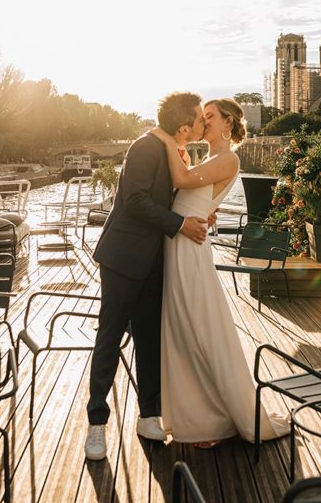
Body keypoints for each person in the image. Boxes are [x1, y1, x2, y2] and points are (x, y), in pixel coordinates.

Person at [151, 98, 290, 446]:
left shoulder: (229, 158)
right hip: (181, 242)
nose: (203, 121)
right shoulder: (211, 158)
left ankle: (211, 419)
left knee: (197, 328)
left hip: (189, 250)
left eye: (210, 117)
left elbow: (182, 180)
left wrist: (167, 139)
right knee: (184, 329)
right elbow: (192, 196)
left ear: (228, 123)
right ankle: (197, 415)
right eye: (203, 117)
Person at [85, 92, 209, 461]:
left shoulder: (170, 148)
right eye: (201, 118)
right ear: (185, 126)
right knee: (109, 340)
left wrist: (196, 213)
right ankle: (96, 425)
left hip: (154, 261)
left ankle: (149, 416)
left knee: (150, 341)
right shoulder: (144, 147)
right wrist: (179, 225)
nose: (203, 123)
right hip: (124, 259)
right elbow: (136, 200)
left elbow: (169, 198)